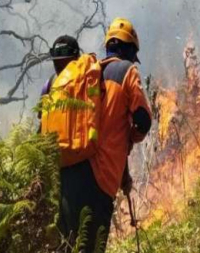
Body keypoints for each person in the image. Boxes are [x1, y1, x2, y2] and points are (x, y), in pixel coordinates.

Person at [57, 18, 153, 253]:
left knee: (66, 246)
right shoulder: (127, 71)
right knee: (91, 247)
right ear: (128, 48)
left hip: (69, 172)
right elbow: (143, 119)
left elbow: (101, 130)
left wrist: (125, 174)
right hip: (99, 180)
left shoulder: (89, 73)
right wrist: (132, 137)